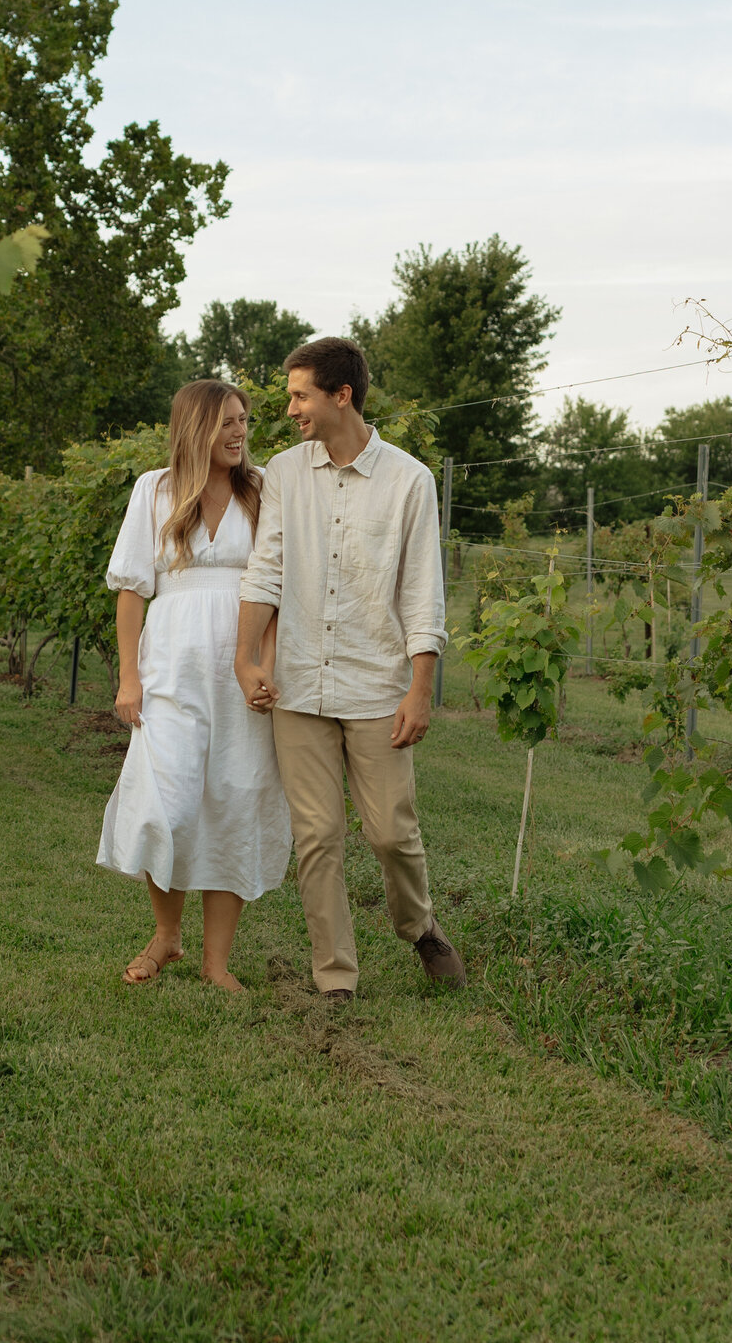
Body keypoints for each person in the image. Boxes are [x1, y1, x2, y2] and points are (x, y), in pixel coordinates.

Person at [234, 336, 465, 1000]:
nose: (291, 410)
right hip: (299, 683)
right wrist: (248, 659)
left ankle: (419, 926)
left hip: (375, 685)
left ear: (343, 395)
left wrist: (420, 690)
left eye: (300, 395)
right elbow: (268, 567)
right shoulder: (284, 472)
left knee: (391, 832)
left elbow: (423, 593)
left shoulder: (409, 481)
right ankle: (336, 976)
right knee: (317, 837)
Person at [98, 379, 291, 991]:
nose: (240, 433)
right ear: (195, 428)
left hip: (240, 668)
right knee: (167, 803)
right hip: (170, 669)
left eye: (244, 422)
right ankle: (166, 936)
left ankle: (216, 962)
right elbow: (132, 589)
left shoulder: (261, 492)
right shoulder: (153, 490)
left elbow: (276, 591)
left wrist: (265, 665)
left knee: (234, 798)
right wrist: (130, 678)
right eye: (227, 423)